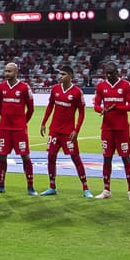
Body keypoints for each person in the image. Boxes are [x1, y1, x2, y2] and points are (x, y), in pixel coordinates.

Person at [38, 64, 92, 197]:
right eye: (60, 74)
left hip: (68, 132)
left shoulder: (77, 92)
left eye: (63, 74)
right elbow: (50, 106)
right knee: (51, 157)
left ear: (70, 76)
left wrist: (76, 130)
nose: (60, 77)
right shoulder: (55, 89)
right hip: (54, 131)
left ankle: (86, 188)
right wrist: (44, 123)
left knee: (76, 158)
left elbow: (82, 113)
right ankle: (52, 187)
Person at [92, 62, 130, 201]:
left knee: (126, 158)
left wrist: (117, 107)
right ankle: (106, 189)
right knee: (107, 159)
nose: (108, 75)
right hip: (107, 129)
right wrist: (102, 110)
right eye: (107, 73)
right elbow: (95, 105)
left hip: (122, 129)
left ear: (117, 73)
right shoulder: (101, 86)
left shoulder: (125, 85)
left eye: (111, 73)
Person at [0, 62, 36, 195]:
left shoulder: (24, 87)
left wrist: (22, 122)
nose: (6, 74)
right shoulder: (0, 87)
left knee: (25, 157)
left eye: (9, 71)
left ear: (16, 72)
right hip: (4, 129)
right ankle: (0, 185)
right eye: (5, 71)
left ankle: (30, 186)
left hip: (19, 130)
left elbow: (31, 109)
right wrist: (5, 118)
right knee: (2, 156)